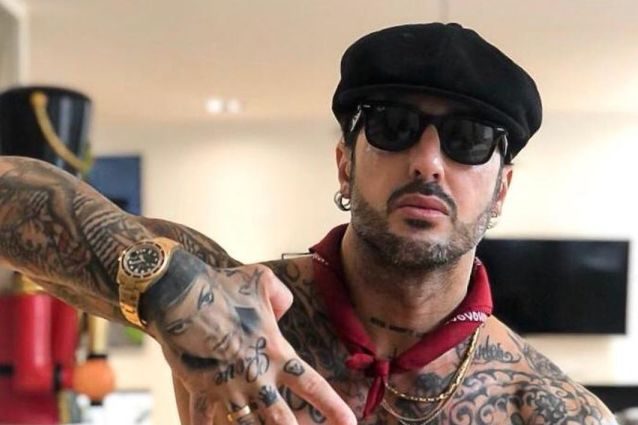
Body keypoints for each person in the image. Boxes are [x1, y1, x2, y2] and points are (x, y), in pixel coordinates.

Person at [0, 23, 618, 425]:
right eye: (394, 127)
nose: (428, 162)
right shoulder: (235, 300)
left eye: (469, 140)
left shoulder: (550, 410)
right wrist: (168, 289)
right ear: (345, 164)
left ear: (501, 188)